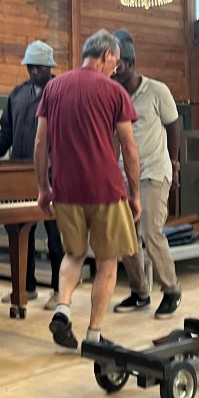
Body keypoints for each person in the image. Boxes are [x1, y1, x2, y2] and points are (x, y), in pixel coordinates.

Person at [34, 29, 141, 349]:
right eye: (115, 63)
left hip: (66, 190)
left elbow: (40, 143)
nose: (115, 70)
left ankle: (63, 309)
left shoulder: (53, 88)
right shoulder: (113, 91)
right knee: (107, 261)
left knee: (73, 254)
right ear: (106, 55)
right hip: (105, 189)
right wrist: (135, 194)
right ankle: (94, 334)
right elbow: (129, 147)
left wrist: (43, 187)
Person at [0, 40, 64, 311]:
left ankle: (59, 290)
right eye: (30, 67)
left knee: (56, 235)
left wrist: (56, 159)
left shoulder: (61, 92)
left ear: (50, 67)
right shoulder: (17, 95)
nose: (33, 72)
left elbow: (69, 133)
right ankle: (25, 287)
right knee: (20, 232)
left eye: (39, 67)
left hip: (53, 174)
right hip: (20, 174)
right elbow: (6, 131)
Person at [111, 29, 182, 319]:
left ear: (130, 63)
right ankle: (140, 292)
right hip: (125, 175)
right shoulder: (115, 96)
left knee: (150, 233)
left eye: (117, 65)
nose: (113, 71)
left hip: (154, 172)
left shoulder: (156, 91)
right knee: (125, 235)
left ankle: (171, 289)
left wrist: (174, 164)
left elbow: (174, 125)